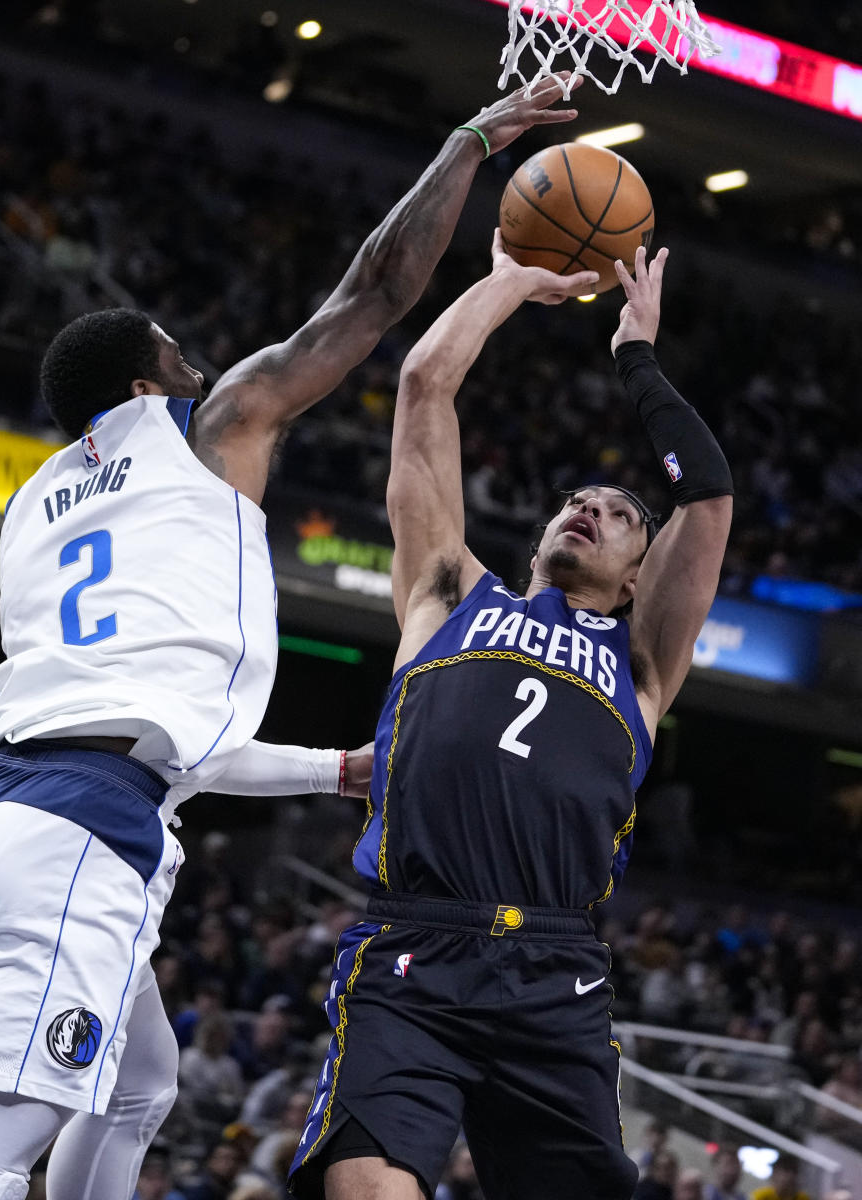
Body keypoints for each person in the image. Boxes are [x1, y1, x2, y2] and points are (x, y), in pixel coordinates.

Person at [0, 78, 587, 1200]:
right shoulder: (213, 428)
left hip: (2, 821)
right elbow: (369, 295)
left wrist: (337, 771)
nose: (197, 367)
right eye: (177, 356)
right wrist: (470, 144)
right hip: (79, 831)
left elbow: (151, 728)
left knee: (139, 1086)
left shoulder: (34, 506)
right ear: (142, 382)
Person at [289, 236, 733, 1200]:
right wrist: (505, 284)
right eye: (576, 500)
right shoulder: (449, 596)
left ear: (635, 578)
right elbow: (422, 387)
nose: (590, 508)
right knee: (362, 1184)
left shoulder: (643, 663)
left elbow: (706, 494)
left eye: (619, 513)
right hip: (415, 945)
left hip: (554, 968)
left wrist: (637, 356)